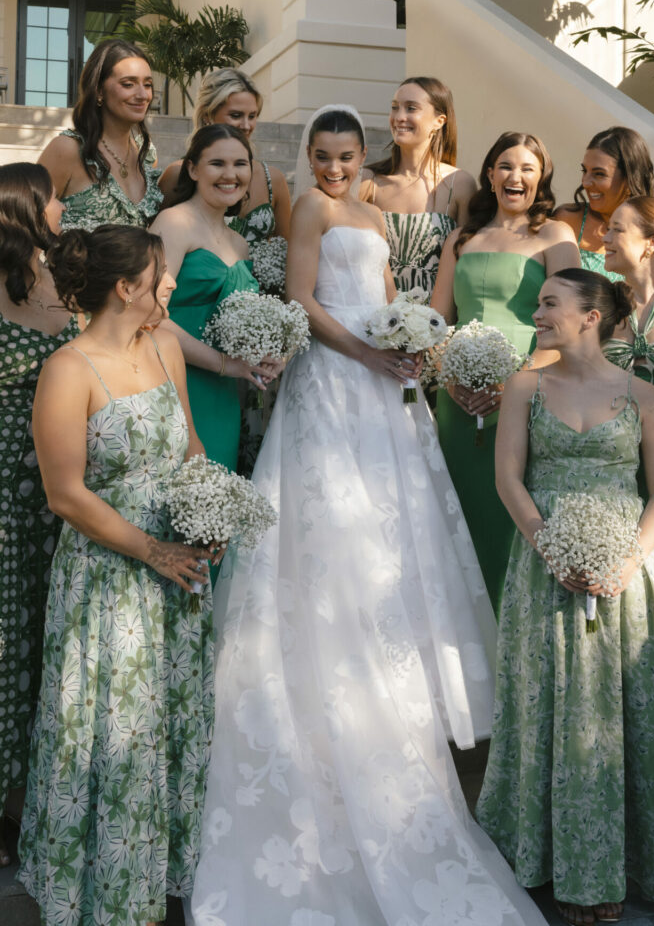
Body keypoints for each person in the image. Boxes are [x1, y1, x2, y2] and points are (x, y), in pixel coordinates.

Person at [189, 106, 550, 926]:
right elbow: (304, 299)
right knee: (328, 529)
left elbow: (390, 293)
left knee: (394, 530)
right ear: (311, 159)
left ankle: (396, 695)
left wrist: (412, 341)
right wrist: (367, 352)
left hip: (388, 383)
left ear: (362, 157)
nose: (332, 169)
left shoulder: (378, 213)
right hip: (333, 379)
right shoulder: (312, 209)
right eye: (321, 156)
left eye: (345, 156)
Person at [17, 224, 217, 926]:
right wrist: (151, 550)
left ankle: (164, 871)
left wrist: (208, 515)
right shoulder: (67, 369)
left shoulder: (164, 346)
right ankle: (105, 887)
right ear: (125, 287)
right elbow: (65, 493)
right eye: (159, 277)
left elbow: (189, 443)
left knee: (173, 717)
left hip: (180, 566)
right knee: (111, 723)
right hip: (110, 575)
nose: (167, 287)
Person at [477, 267, 654, 926]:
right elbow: (508, 478)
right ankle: (556, 866)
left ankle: (630, 868)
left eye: (548, 304)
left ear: (590, 315)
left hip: (628, 571)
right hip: (546, 567)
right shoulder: (523, 385)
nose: (535, 314)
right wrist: (549, 546)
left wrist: (629, 560)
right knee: (551, 709)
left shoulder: (643, 395)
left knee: (625, 718)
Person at [432, 131, 580, 615]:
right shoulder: (462, 238)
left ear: (542, 179)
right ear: (491, 174)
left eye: (528, 169)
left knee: (516, 507)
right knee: (461, 509)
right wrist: (452, 380)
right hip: (459, 395)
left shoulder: (555, 236)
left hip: (531, 384)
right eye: (506, 166)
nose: (516, 177)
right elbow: (437, 320)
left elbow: (570, 324)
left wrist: (515, 382)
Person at [0, 163, 76, 867]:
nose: (63, 206)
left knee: (41, 634)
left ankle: (33, 794)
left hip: (60, 488)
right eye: (53, 198)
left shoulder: (64, 280)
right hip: (4, 495)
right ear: (28, 207)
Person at [150, 124, 280, 473]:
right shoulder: (173, 223)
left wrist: (268, 353)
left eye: (240, 164)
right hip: (175, 381)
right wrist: (224, 364)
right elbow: (148, 313)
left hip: (224, 392)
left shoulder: (239, 243)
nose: (230, 174)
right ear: (192, 169)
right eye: (217, 164)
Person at [603, 195, 654, 628]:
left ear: (651, 243)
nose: (605, 235)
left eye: (617, 228)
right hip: (618, 473)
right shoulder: (604, 308)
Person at [360, 75, 476, 294]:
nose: (399, 117)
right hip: (373, 315)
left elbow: (466, 268)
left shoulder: (459, 184)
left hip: (437, 320)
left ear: (439, 121)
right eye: (395, 108)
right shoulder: (368, 181)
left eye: (411, 108)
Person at [38, 39, 163, 230]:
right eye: (128, 84)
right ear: (98, 91)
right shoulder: (67, 149)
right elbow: (24, 222)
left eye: (147, 84)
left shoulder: (146, 156)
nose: (143, 95)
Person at [159, 67, 291, 240]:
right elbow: (155, 244)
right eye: (236, 115)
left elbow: (288, 248)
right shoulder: (177, 174)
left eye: (252, 116)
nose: (246, 125)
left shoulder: (273, 179)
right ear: (208, 115)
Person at [554, 126, 654, 281]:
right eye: (585, 171)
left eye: (599, 174)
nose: (585, 182)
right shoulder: (567, 221)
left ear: (630, 179)